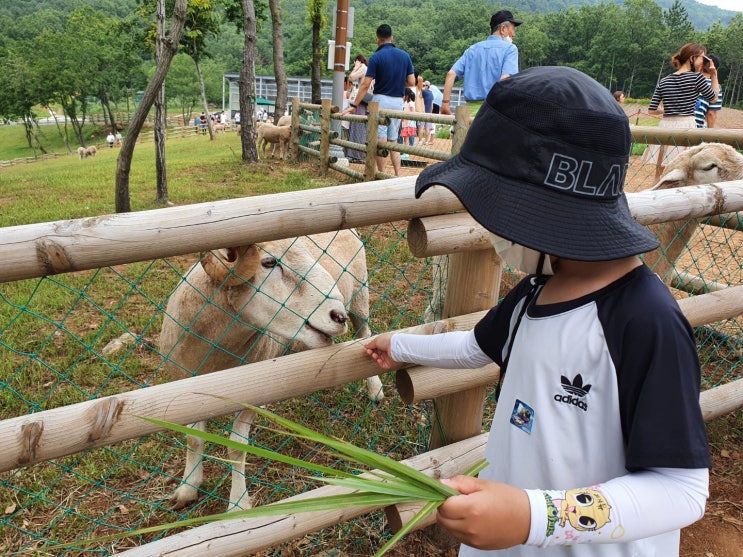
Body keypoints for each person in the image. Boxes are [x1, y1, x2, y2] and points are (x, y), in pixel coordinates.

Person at [365, 66, 710, 557]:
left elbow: (681, 490)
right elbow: (474, 347)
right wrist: (399, 346)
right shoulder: (535, 291)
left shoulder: (645, 319)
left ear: (541, 210)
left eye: (493, 210)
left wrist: (536, 517)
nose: (491, 230)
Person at [343, 24, 415, 177]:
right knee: (393, 141)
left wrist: (354, 105)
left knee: (379, 139)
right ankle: (397, 175)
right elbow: (411, 82)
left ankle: (382, 174)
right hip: (398, 101)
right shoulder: (405, 56)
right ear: (392, 38)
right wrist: (396, 82)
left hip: (380, 100)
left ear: (377, 39)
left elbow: (365, 84)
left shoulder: (376, 57)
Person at [645, 43, 718, 167]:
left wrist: (668, 109)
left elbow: (652, 110)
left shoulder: (664, 80)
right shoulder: (697, 78)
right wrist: (714, 75)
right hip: (686, 125)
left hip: (665, 126)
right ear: (692, 58)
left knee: (660, 171)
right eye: (702, 58)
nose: (703, 62)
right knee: (682, 169)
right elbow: (714, 98)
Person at [441, 10, 521, 115]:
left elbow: (451, 74)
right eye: (512, 29)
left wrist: (445, 104)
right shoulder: (510, 49)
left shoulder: (472, 49)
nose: (513, 34)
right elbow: (505, 79)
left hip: (468, 113)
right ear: (503, 29)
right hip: (493, 111)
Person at [347, 54, 369, 163]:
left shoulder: (363, 68)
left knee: (357, 126)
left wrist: (356, 67)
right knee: (362, 127)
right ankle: (359, 154)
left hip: (361, 100)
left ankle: (357, 155)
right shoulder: (368, 68)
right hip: (367, 101)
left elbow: (350, 78)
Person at [694, 54, 723, 129]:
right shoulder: (715, 87)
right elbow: (711, 114)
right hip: (695, 127)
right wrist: (710, 134)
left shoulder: (688, 78)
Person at [420, 80, 434, 145]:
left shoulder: (423, 91)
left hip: (423, 112)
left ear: (427, 86)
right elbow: (432, 106)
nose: (423, 86)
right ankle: (426, 141)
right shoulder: (431, 93)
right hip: (429, 113)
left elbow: (419, 97)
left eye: (424, 85)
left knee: (421, 127)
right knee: (427, 128)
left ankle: (420, 141)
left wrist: (421, 88)